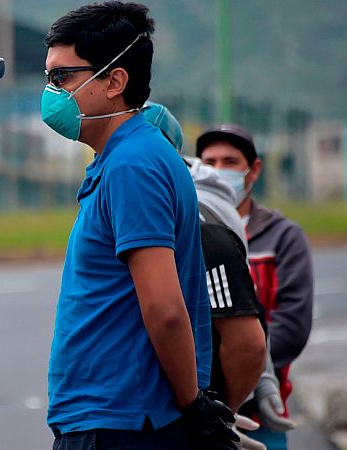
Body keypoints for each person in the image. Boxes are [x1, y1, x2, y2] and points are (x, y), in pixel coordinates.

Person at [41, 3, 236, 449]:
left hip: (120, 421)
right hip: (108, 416)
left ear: (114, 81)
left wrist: (193, 406)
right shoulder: (122, 158)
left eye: (62, 78)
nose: (50, 93)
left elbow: (165, 309)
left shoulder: (133, 165)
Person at [144, 102, 270, 449]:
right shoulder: (127, 220)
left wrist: (213, 414)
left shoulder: (204, 234)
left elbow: (247, 342)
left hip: (175, 423)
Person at [197, 124, 313, 450]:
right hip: (202, 407)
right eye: (210, 162)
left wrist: (254, 377)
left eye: (230, 162)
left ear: (254, 169)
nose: (218, 171)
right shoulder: (190, 230)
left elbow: (292, 323)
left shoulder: (282, 237)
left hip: (263, 412)